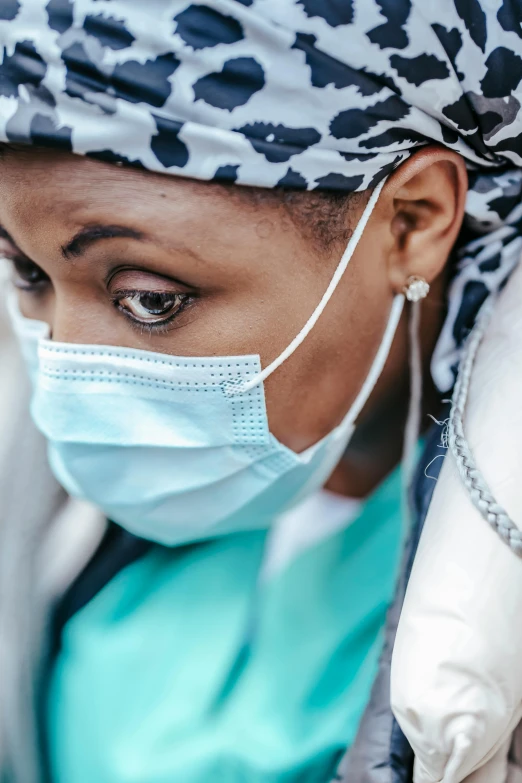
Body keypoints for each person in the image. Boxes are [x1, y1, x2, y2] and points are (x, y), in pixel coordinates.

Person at [0, 1, 521, 782]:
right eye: (26, 272)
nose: (65, 377)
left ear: (413, 221)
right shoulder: (77, 509)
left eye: (150, 298)